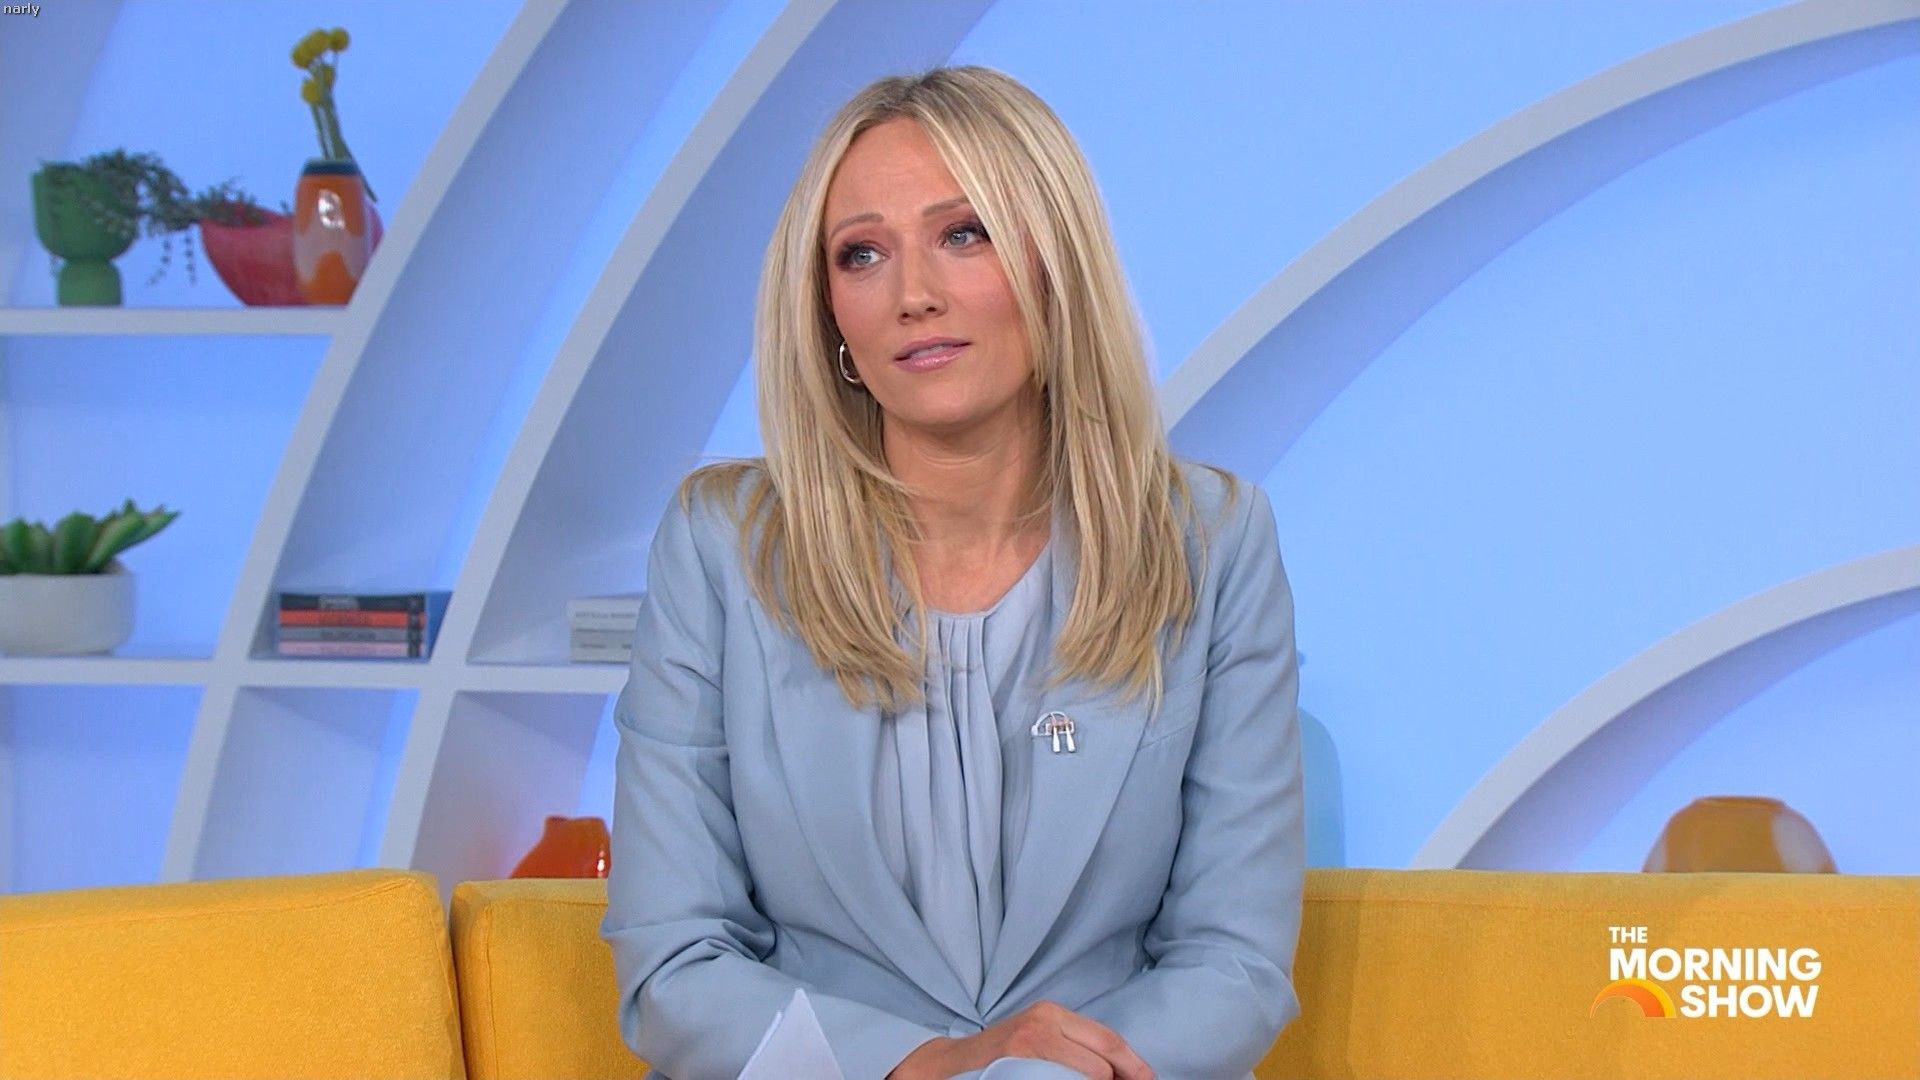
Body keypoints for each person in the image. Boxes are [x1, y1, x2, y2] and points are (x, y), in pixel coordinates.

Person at [599, 65, 1304, 1080]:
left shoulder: (1214, 540)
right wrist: (931, 1064)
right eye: (862, 254)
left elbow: (1232, 964)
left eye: (963, 234)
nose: (913, 295)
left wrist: (1030, 1076)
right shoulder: (721, 546)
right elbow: (673, 964)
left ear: (1054, 264)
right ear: (829, 314)